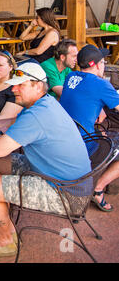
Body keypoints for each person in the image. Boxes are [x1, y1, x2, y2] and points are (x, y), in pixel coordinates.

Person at [0, 62, 91, 258]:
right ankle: (5, 228)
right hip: (63, 178)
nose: (13, 89)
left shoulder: (37, 115)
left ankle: (5, 242)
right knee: (0, 164)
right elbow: (12, 123)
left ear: (37, 85)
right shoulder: (45, 103)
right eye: (14, 84)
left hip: (68, 194)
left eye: (20, 85)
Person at [60, 44, 118, 212]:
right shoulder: (102, 85)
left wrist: (99, 105)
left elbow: (83, 96)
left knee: (103, 130)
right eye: (104, 61)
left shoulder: (71, 76)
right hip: (84, 144)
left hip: (66, 138)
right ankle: (97, 189)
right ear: (97, 64)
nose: (105, 64)